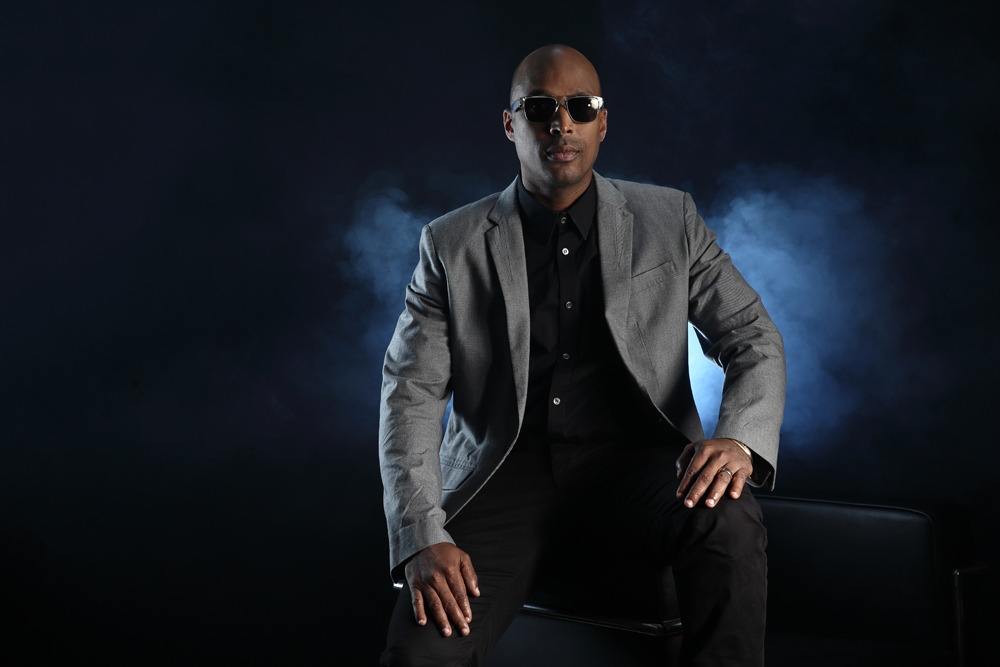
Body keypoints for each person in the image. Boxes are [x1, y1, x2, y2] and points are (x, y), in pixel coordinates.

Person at [378, 44, 785, 666]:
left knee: (727, 516)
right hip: (501, 480)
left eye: (580, 107)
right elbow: (409, 395)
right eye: (540, 108)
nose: (561, 124)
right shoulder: (450, 243)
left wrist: (739, 440)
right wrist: (418, 535)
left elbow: (752, 335)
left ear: (603, 122)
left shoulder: (669, 218)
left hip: (641, 473)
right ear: (511, 124)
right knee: (418, 658)